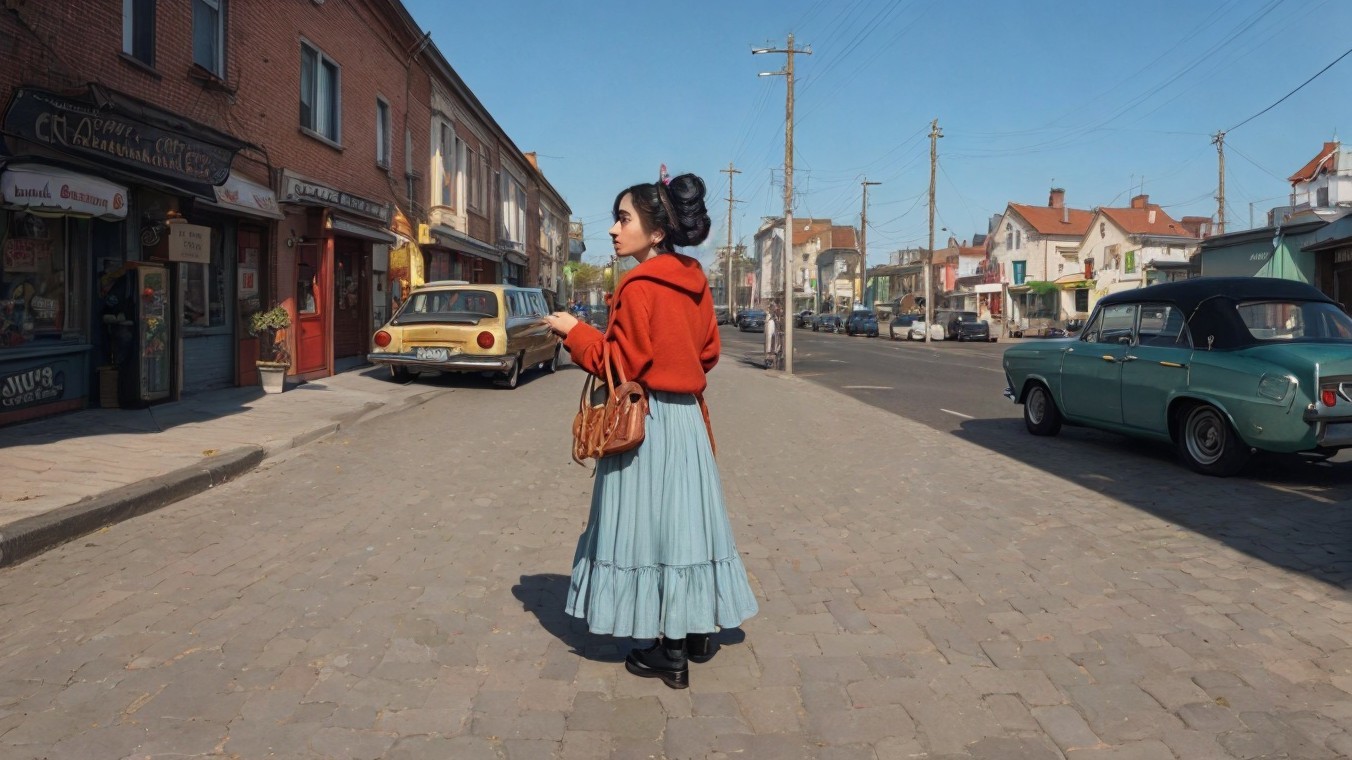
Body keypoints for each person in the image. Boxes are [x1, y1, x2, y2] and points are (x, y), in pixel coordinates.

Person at [541, 173, 759, 690]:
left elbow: (617, 363)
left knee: (646, 528)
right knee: (688, 524)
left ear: (656, 232)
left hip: (646, 421)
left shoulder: (638, 285)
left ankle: (666, 652)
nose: (614, 231)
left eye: (624, 219)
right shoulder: (695, 280)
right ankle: (697, 630)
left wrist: (575, 332)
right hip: (686, 420)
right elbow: (709, 352)